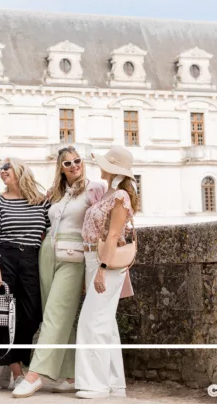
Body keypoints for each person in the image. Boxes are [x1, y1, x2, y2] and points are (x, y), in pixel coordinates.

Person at [13, 147, 106, 398]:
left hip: (74, 256)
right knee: (54, 314)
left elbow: (104, 223)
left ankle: (35, 375)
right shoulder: (55, 193)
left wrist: (99, 264)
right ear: (60, 167)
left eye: (77, 161)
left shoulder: (94, 189)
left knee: (56, 313)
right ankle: (69, 374)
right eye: (68, 163)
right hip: (48, 253)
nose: (74, 165)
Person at [74, 146, 139, 400]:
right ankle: (114, 383)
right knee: (106, 323)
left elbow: (114, 235)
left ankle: (96, 385)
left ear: (112, 169)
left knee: (93, 323)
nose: (99, 166)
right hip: (94, 258)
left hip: (107, 262)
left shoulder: (120, 196)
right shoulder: (109, 193)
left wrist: (101, 269)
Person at [0, 158, 50, 391]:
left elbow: (50, 229)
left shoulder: (41, 202)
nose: (2, 172)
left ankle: (9, 357)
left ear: (20, 170)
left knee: (32, 313)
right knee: (1, 316)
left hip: (32, 258)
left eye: (7, 168)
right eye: (0, 169)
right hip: (5, 257)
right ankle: (16, 370)